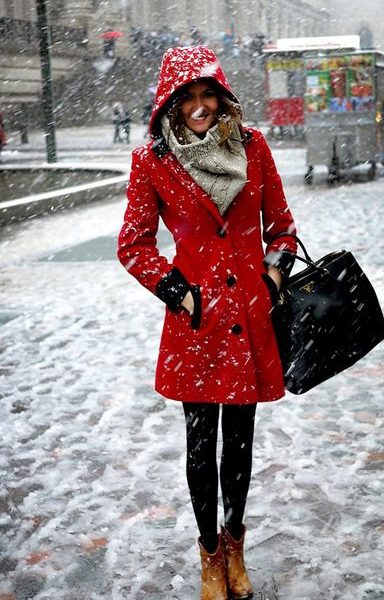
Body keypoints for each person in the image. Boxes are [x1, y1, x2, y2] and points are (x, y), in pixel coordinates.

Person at [118, 46, 297, 600]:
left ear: (222, 96)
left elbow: (283, 228)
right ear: (171, 105)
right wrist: (177, 291)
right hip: (195, 327)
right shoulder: (155, 160)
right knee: (200, 446)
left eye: (207, 94)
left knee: (239, 444)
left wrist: (273, 271)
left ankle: (236, 546)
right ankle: (209, 557)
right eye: (187, 97)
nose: (199, 106)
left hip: (247, 319)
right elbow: (134, 243)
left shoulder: (253, 147)